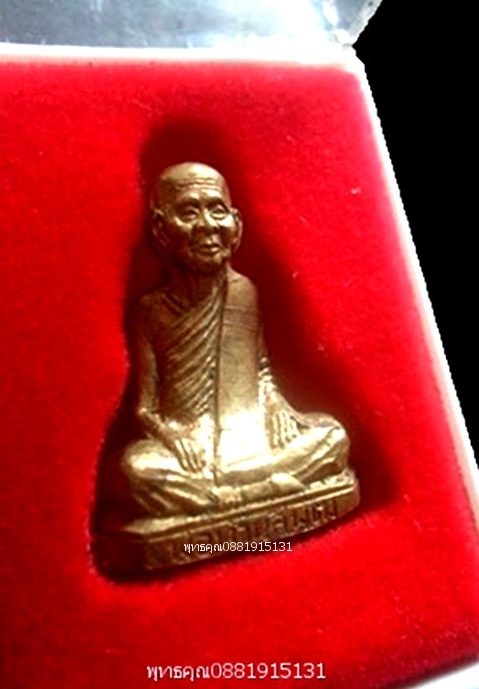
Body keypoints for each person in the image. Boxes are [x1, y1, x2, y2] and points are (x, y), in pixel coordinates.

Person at [120, 162, 349, 516]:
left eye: (217, 210)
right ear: (161, 230)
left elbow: (261, 371)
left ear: (236, 225)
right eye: (188, 212)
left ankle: (221, 497)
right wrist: (174, 437)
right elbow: (145, 409)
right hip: (191, 448)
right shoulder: (150, 311)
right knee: (135, 469)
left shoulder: (245, 292)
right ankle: (261, 490)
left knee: (333, 436)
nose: (207, 226)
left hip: (251, 435)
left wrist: (276, 406)